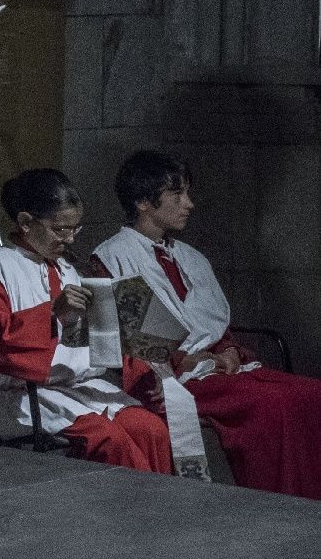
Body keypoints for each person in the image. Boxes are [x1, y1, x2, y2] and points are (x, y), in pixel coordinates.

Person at [89, 151, 321, 498]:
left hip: (214, 371)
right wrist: (191, 360)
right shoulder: (112, 259)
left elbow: (213, 326)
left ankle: (308, 501)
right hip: (170, 379)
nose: (189, 204)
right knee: (274, 405)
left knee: (311, 393)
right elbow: (126, 339)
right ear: (143, 202)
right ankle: (276, 501)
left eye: (188, 193)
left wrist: (228, 350)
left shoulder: (189, 257)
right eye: (178, 194)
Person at [0, 168, 173, 473]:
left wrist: (147, 366)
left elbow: (99, 334)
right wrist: (52, 314)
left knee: (150, 429)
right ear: (25, 222)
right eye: (60, 229)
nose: (70, 238)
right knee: (109, 441)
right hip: (20, 392)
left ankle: (163, 516)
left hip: (76, 387)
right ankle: (127, 518)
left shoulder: (66, 269)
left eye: (75, 228)